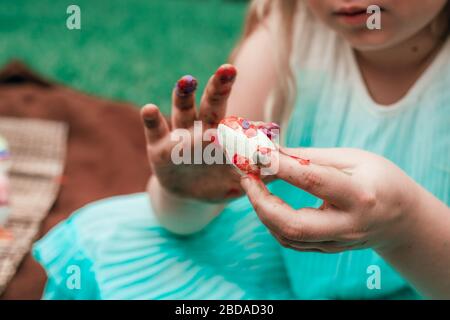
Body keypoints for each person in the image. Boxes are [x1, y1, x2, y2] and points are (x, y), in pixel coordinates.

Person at [34, 0, 450, 299]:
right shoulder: (289, 28)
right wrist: (188, 192)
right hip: (285, 271)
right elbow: (190, 211)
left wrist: (405, 226)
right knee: (112, 236)